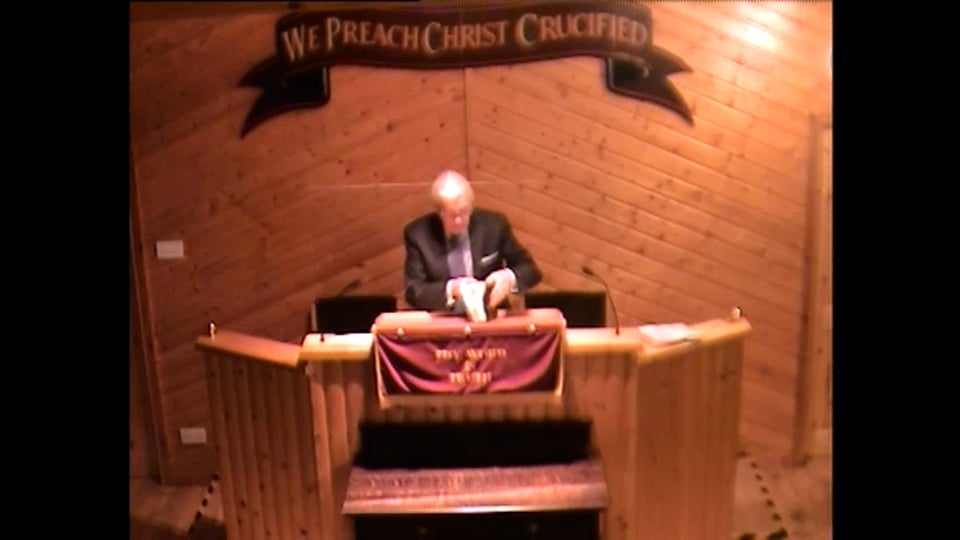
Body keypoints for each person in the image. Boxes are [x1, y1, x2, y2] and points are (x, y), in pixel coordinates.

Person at [403, 169, 542, 312]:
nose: (458, 221)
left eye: (464, 211)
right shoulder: (418, 235)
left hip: (490, 315)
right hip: (443, 318)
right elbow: (414, 292)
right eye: (451, 215)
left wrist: (509, 277)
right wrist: (452, 289)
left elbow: (530, 270)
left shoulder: (494, 225)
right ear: (439, 211)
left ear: (471, 205)